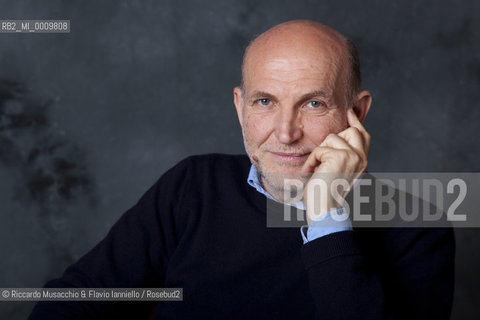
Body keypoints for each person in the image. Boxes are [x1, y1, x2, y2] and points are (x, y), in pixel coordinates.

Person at [29, 20, 454, 319]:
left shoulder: (419, 225)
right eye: (265, 102)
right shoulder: (193, 186)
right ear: (240, 107)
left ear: (356, 113)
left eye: (313, 103)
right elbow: (77, 299)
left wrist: (325, 214)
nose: (285, 134)